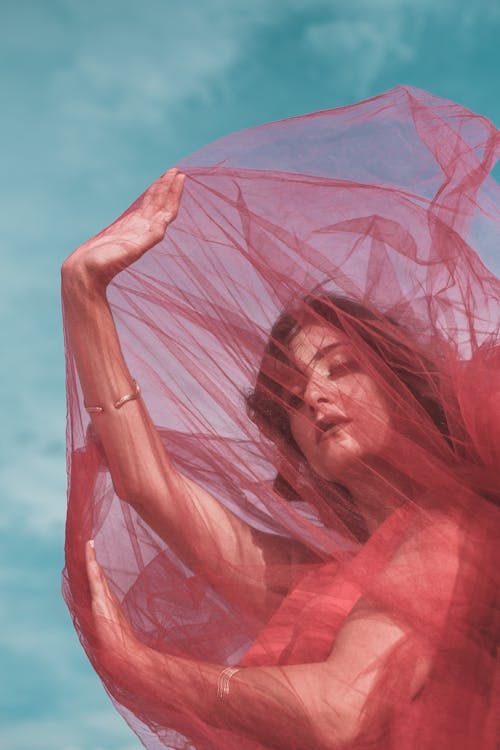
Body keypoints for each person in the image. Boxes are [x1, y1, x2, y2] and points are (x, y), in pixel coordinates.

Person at [62, 88, 500, 750]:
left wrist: (143, 667)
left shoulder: (456, 528)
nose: (314, 398)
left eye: (340, 368)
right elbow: (153, 490)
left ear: (403, 388)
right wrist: (84, 294)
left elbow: (342, 712)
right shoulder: (321, 581)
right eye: (290, 396)